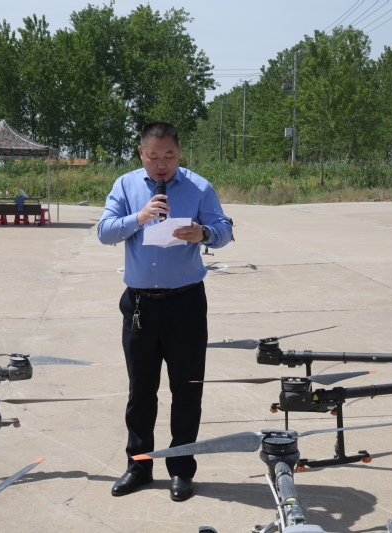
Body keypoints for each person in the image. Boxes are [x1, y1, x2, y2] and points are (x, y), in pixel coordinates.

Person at [97, 122, 233, 502]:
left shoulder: (199, 187)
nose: (162, 165)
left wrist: (203, 234)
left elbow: (224, 229)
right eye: (153, 156)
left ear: (179, 152)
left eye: (169, 156)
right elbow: (104, 231)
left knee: (187, 391)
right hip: (140, 305)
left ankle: (181, 470)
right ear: (141, 153)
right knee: (141, 392)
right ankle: (139, 466)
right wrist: (138, 218)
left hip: (186, 304)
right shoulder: (126, 186)